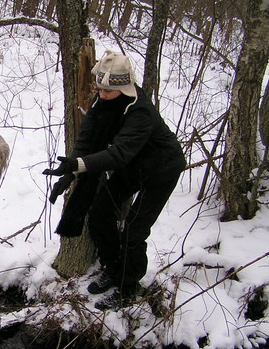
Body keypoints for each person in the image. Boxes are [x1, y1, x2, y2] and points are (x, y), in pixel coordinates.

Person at [43, 51, 186, 311]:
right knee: (99, 212)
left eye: (108, 91)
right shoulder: (103, 104)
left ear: (123, 87)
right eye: (100, 90)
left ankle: (128, 287)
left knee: (134, 230)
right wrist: (70, 172)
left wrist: (79, 165)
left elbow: (119, 153)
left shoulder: (140, 111)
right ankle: (112, 267)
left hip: (162, 169)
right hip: (135, 165)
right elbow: (86, 141)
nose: (102, 95)